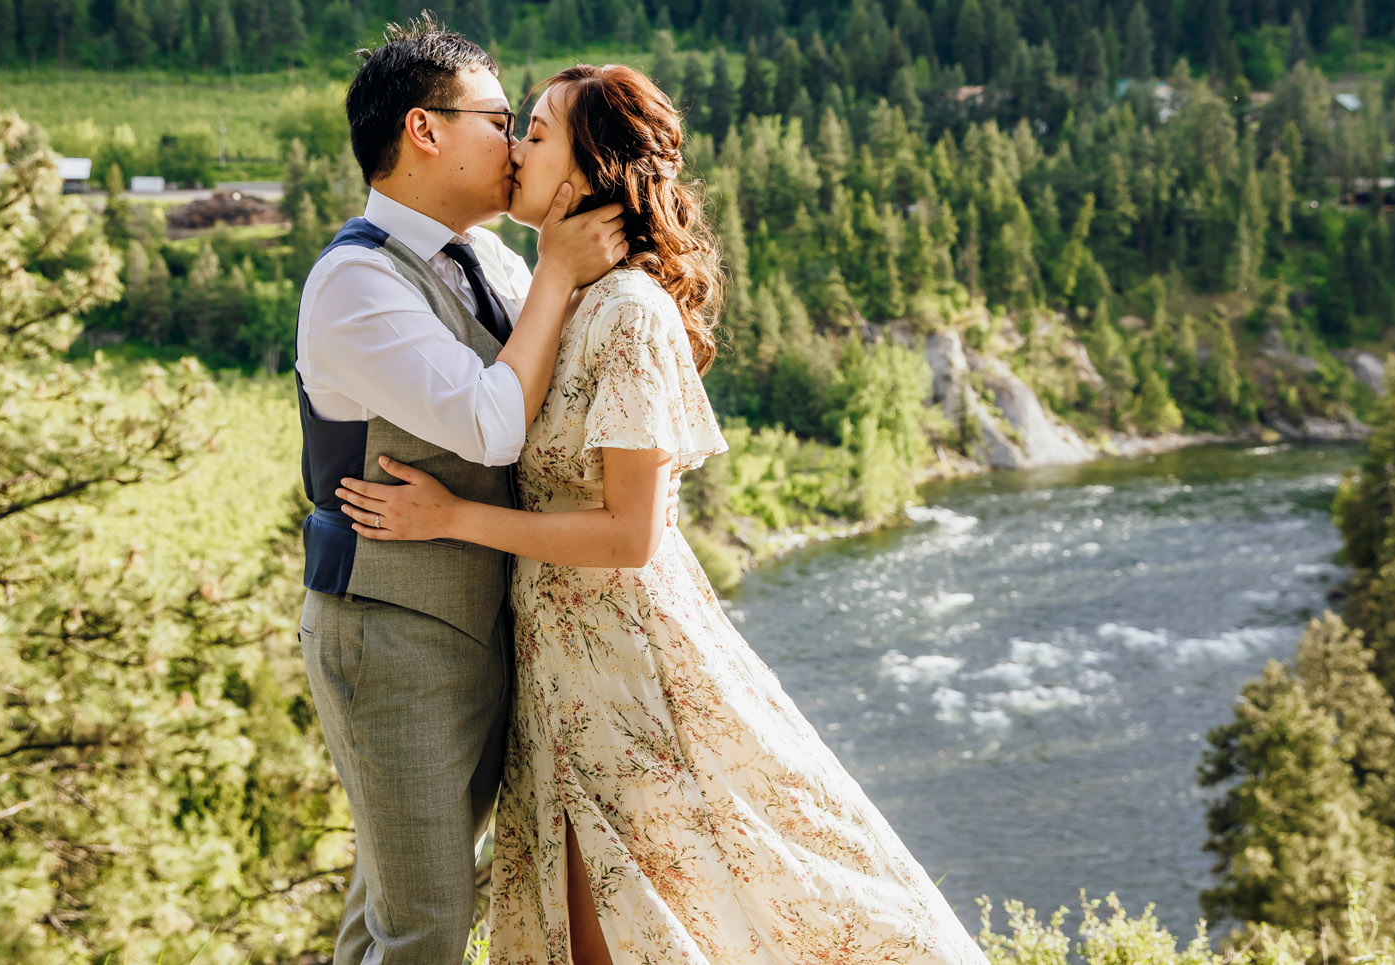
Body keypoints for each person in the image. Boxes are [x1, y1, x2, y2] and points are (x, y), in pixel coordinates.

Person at [336, 63, 988, 965]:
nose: (516, 148)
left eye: (534, 131)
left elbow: (631, 536)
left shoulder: (630, 314)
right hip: (557, 664)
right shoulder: (556, 299)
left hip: (629, 664)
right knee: (589, 922)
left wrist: (451, 517)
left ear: (590, 169)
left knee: (681, 901)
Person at [294, 17, 628, 965]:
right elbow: (492, 421)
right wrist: (562, 268)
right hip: (388, 634)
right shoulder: (354, 282)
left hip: (483, 621)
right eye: (499, 116)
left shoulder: (492, 260)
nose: (514, 140)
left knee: (396, 906)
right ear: (425, 130)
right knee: (430, 923)